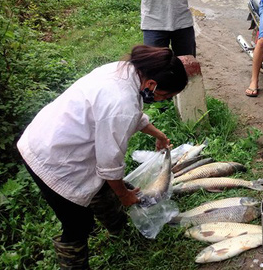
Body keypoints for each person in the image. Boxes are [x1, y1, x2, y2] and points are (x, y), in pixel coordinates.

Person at [17, 45, 188, 269]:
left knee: (103, 187)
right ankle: (74, 264)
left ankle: (118, 228)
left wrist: (159, 134)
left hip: (47, 134)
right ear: (151, 84)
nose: (163, 100)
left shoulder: (125, 71)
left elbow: (132, 115)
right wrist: (124, 195)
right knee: (78, 224)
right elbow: (109, 163)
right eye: (165, 96)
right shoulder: (120, 101)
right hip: (52, 158)